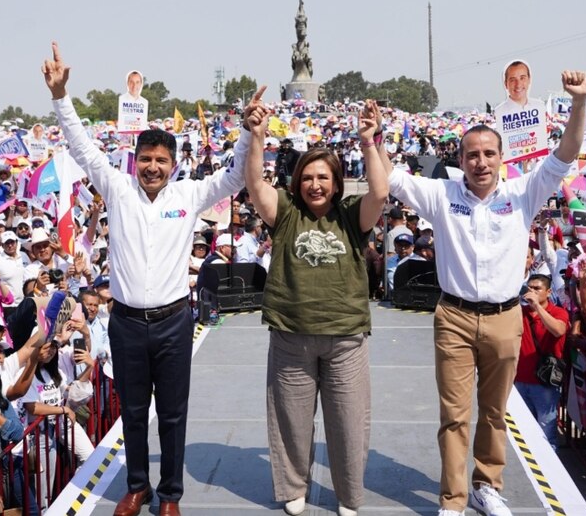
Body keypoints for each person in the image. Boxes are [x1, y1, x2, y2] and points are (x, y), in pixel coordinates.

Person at [42, 41, 254, 516]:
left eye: (162, 160)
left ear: (173, 164)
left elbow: (238, 175)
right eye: (146, 159)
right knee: (133, 413)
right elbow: (80, 144)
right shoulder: (117, 189)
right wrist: (60, 96)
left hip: (175, 323)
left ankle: (170, 495)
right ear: (135, 160)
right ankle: (136, 487)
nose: (153, 167)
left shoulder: (191, 193)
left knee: (174, 415)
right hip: (127, 323)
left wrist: (248, 133)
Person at [385, 71, 586, 516]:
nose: (481, 162)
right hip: (454, 318)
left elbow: (567, 152)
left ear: (502, 157)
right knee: (455, 416)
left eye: (489, 154)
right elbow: (392, 179)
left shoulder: (523, 192)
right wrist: (371, 139)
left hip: (504, 318)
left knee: (495, 412)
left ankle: (487, 485)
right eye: (472, 154)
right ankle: (454, 499)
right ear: (460, 158)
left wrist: (580, 102)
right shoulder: (442, 194)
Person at [244, 98, 387, 516]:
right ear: (296, 182)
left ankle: (349, 495)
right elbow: (254, 185)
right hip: (292, 336)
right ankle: (293, 487)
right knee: (290, 420)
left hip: (346, 338)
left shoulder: (351, 217)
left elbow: (380, 191)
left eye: (323, 177)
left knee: (348, 424)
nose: (315, 184)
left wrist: (369, 142)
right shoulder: (286, 214)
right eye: (307, 177)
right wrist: (256, 136)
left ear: (337, 182)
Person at [514, 274, 569, 451]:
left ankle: (551, 473)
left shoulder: (558, 312)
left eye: (537, 288)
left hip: (544, 383)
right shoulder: (519, 312)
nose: (532, 291)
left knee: (546, 431)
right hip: (520, 380)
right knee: (523, 430)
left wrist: (537, 306)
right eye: (529, 288)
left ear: (548, 291)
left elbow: (558, 330)